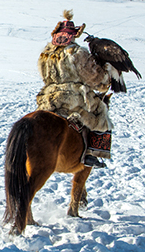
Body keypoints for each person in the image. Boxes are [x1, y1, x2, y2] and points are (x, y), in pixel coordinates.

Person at [36, 10, 113, 168]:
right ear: (73, 35)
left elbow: (44, 76)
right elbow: (94, 77)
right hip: (74, 98)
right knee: (101, 113)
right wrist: (105, 80)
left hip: (48, 98)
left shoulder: (45, 53)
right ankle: (91, 153)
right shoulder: (77, 53)